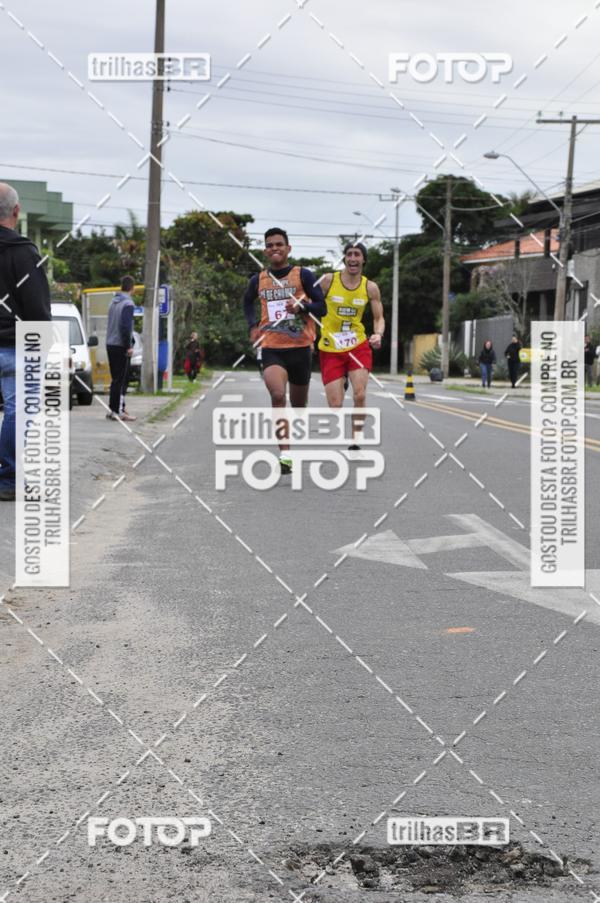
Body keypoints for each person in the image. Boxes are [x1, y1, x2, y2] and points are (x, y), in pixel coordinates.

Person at [243, 227, 326, 474]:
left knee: (298, 406)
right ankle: (285, 455)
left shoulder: (304, 275)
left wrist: (302, 307)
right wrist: (252, 326)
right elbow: (247, 302)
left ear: (288, 248)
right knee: (278, 395)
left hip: (300, 347)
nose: (275, 248)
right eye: (270, 245)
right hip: (272, 348)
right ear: (265, 250)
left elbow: (322, 308)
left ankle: (296, 420)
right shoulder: (258, 279)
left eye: (279, 244)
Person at [0, 183, 51, 501]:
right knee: (19, 411)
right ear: (16, 212)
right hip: (16, 347)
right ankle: (8, 479)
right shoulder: (23, 253)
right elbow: (36, 306)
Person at [318, 243, 384, 450]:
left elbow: (379, 317)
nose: (353, 258)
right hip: (330, 347)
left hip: (357, 345)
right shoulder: (328, 280)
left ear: (363, 260)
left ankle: (355, 438)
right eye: (349, 254)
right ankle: (342, 379)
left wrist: (378, 334)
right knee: (335, 406)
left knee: (360, 394)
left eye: (357, 254)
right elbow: (307, 303)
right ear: (345, 259)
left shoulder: (370, 287)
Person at [106, 276, 136, 422]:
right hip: (120, 345)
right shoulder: (128, 304)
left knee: (115, 379)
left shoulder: (113, 302)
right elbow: (125, 327)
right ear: (132, 288)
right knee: (122, 380)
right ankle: (119, 411)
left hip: (110, 344)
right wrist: (128, 346)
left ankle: (113, 409)